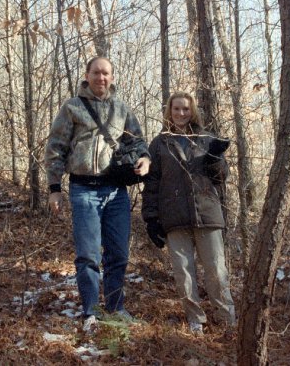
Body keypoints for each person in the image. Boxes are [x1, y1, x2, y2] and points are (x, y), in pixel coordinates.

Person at [45, 57, 151, 332]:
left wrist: (146, 160)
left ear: (112, 77)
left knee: (118, 253)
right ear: (87, 75)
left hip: (116, 191)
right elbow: (56, 147)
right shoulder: (72, 107)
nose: (100, 78)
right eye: (96, 73)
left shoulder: (121, 109)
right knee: (88, 255)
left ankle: (115, 307)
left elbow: (138, 142)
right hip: (83, 189)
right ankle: (90, 310)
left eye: (105, 74)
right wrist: (54, 189)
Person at [141, 91, 235, 336]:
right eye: (176, 109)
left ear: (192, 111)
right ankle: (196, 320)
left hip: (207, 214)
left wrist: (216, 158)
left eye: (185, 109)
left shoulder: (205, 139)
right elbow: (151, 184)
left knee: (216, 270)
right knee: (184, 273)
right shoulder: (159, 143)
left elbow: (221, 178)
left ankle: (227, 319)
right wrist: (151, 218)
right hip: (174, 217)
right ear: (169, 112)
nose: (181, 113)